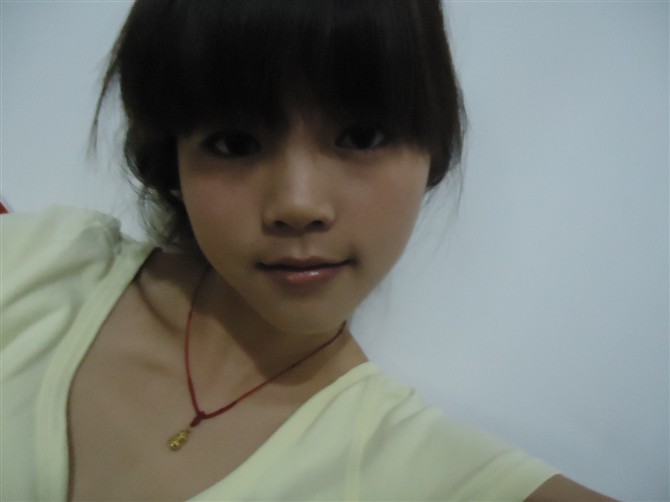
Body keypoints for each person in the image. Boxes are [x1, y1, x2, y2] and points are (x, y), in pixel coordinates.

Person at [1, 1, 615, 500]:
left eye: (362, 136)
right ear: (173, 160)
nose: (297, 205)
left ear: (433, 149)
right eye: (235, 142)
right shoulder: (36, 263)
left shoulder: (420, 466)